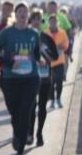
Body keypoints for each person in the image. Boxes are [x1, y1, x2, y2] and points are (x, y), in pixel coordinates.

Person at [0, 1, 44, 155]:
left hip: (31, 79)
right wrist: (8, 63)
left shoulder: (34, 34)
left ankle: (20, 152)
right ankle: (17, 132)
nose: (23, 14)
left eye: (25, 12)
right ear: (15, 15)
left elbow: (36, 54)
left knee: (25, 112)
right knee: (14, 113)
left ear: (28, 15)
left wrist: (41, 61)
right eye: (20, 11)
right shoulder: (6, 33)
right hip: (10, 79)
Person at [26, 10, 61, 147]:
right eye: (34, 19)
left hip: (45, 76)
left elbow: (55, 57)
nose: (36, 22)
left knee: (42, 107)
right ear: (30, 21)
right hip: (30, 76)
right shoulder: (26, 37)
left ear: (42, 22)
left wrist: (44, 50)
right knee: (31, 106)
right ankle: (30, 133)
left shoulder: (47, 38)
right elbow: (20, 55)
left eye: (39, 19)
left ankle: (39, 133)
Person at [46, 13, 69, 107]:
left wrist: (62, 46)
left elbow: (66, 45)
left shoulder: (62, 32)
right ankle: (52, 100)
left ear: (57, 22)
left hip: (60, 61)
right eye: (51, 21)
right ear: (49, 22)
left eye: (55, 21)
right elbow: (43, 46)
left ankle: (58, 99)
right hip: (49, 62)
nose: (53, 23)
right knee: (51, 82)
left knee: (59, 81)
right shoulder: (46, 33)